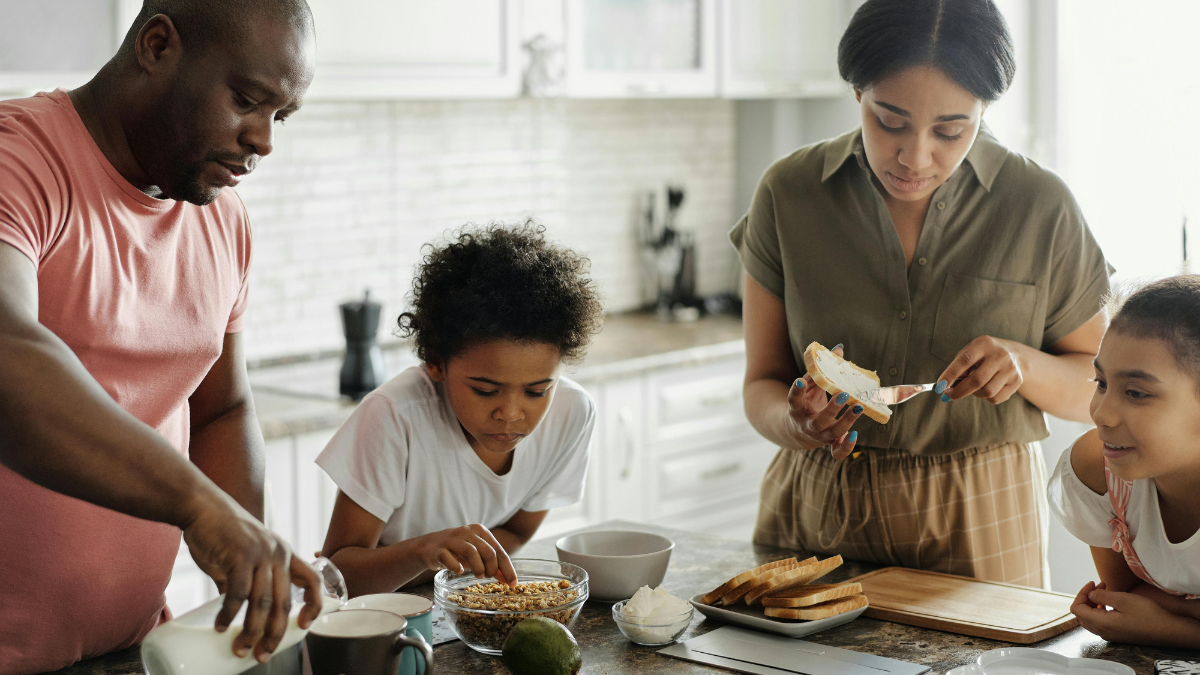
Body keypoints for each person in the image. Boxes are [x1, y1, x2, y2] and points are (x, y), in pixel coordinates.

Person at [734, 0, 1111, 588]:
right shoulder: (790, 192)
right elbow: (762, 381)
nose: (915, 157)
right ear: (857, 90)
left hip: (980, 512)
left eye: (951, 130)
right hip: (812, 509)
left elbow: (1098, 389)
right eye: (890, 121)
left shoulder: (1041, 206)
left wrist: (1023, 364)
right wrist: (798, 426)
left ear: (985, 110)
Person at [0, 1, 323, 672]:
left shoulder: (222, 220)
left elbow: (221, 409)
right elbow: (6, 353)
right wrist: (198, 504)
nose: (264, 140)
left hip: (132, 649)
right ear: (156, 44)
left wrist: (252, 564)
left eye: (280, 116)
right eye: (246, 100)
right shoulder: (19, 161)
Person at [318, 224, 603, 597]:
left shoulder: (572, 413)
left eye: (537, 391)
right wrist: (424, 550)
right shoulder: (395, 416)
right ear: (436, 362)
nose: (512, 413)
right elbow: (335, 577)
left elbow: (516, 532)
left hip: (446, 601)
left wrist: (435, 562)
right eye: (486, 390)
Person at [1048, 276, 1200, 648]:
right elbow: (1126, 598)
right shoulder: (1096, 470)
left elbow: (1145, 616)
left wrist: (1174, 630)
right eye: (1100, 382)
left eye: (1135, 392)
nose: (1102, 414)